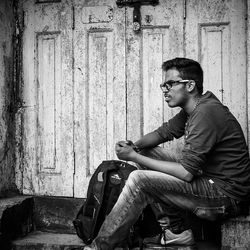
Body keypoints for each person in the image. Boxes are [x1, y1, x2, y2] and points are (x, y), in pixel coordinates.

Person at [84, 58, 250, 249]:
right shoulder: (195, 109)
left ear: (190, 85)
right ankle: (176, 232)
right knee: (148, 152)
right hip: (209, 180)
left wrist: (134, 157)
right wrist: (135, 147)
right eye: (163, 85)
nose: (165, 89)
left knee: (139, 180)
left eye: (170, 84)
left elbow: (186, 172)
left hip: (226, 196)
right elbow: (163, 133)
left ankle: (98, 247)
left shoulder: (206, 112)